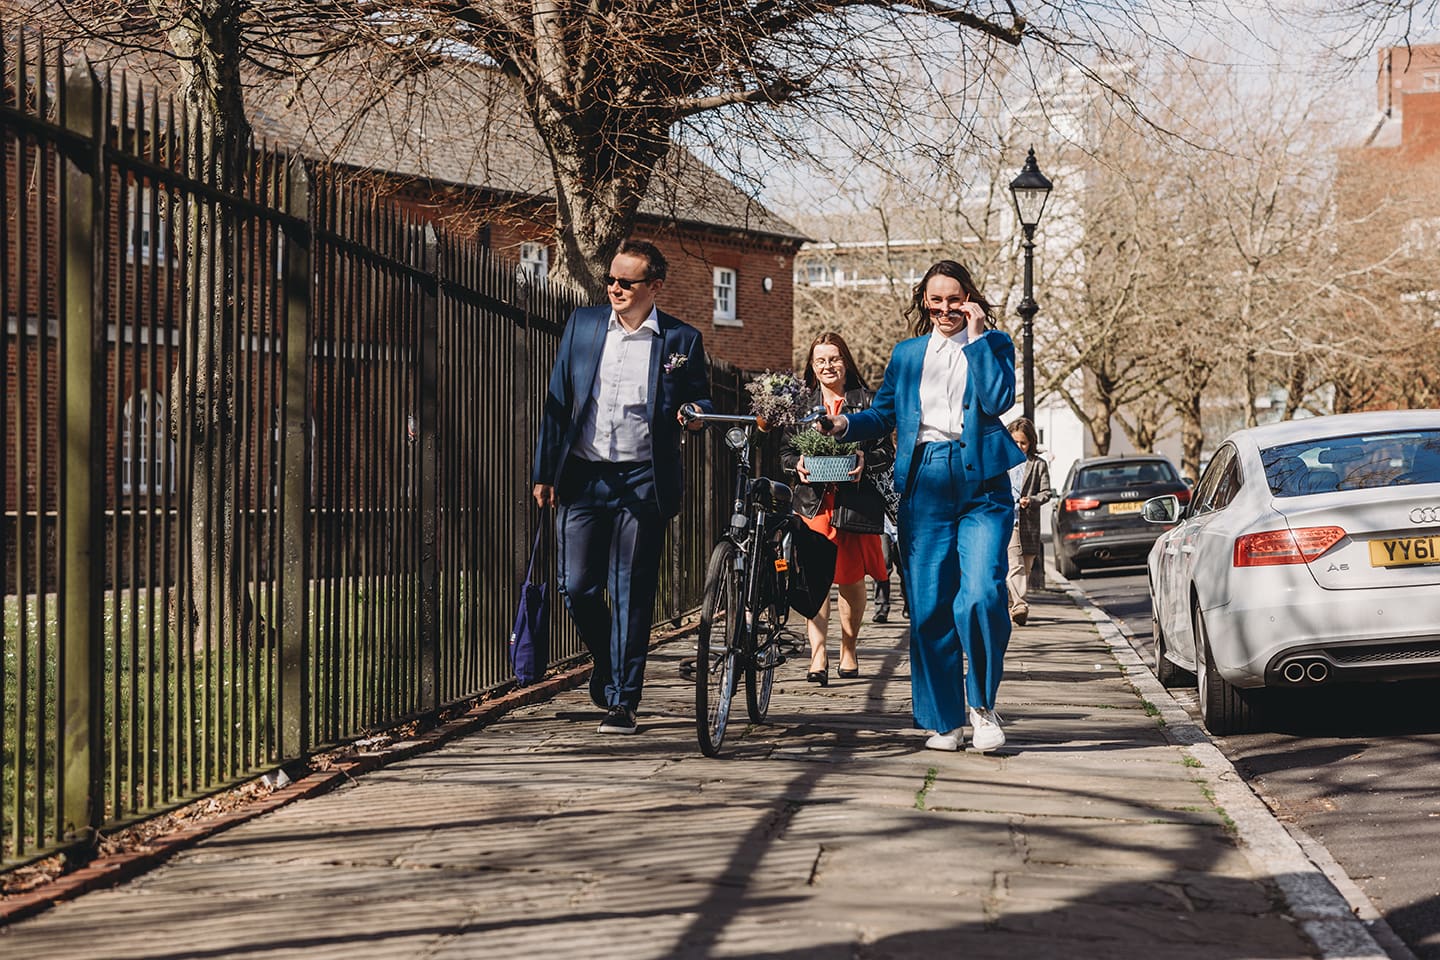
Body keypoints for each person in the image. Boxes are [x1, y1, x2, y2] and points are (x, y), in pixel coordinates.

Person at [817, 260, 1024, 753]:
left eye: (955, 299)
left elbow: (997, 400)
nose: (946, 308)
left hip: (983, 480)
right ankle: (945, 720)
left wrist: (975, 337)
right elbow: (884, 412)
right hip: (925, 478)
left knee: (981, 594)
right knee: (930, 603)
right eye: (937, 300)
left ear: (970, 298)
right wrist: (847, 426)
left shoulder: (995, 344)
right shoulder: (908, 354)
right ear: (924, 302)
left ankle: (982, 707)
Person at [532, 240, 713, 735]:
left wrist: (693, 416)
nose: (615, 288)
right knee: (577, 587)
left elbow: (698, 399)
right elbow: (558, 400)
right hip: (585, 477)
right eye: (611, 279)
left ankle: (622, 699)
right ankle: (610, 664)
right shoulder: (583, 326)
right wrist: (544, 472)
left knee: (631, 590)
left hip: (643, 478)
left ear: (654, 286)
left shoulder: (681, 341)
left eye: (626, 282)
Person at [779, 333, 892, 686]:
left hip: (854, 504)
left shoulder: (868, 402)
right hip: (814, 504)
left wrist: (864, 459)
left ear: (846, 361)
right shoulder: (799, 406)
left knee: (851, 580)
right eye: (820, 360)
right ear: (812, 367)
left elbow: (886, 453)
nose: (828, 366)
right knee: (815, 578)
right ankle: (817, 656)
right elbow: (783, 453)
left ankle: (849, 646)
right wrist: (795, 463)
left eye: (834, 358)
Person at [1004, 417, 1053, 626]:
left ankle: (1011, 604)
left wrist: (1031, 500)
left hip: (1029, 521)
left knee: (1025, 566)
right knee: (1014, 564)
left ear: (1031, 442)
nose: (1019, 447)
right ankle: (1020, 605)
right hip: (1008, 518)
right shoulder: (1002, 462)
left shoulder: (1038, 465)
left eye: (1023, 443)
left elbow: (1046, 492)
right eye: (1015, 442)